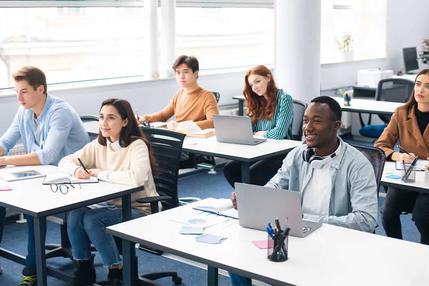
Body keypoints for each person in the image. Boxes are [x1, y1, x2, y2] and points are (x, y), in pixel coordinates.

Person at [230, 96, 378, 286]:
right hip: (296, 234)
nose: (307, 127)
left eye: (317, 121)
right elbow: (274, 186)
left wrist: (311, 222)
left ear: (336, 125)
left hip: (334, 240)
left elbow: (366, 220)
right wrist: (252, 199)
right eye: (306, 120)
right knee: (238, 262)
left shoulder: (357, 165)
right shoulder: (298, 154)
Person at [0, 66, 90, 286]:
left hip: (71, 179)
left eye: (24, 91)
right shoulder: (24, 110)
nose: (18, 97)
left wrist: (3, 161)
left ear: (40, 89)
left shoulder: (61, 111)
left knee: (31, 207)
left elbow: (47, 155)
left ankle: (31, 270)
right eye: (16, 91)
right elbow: (5, 143)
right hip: (41, 176)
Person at [59, 98, 158, 286]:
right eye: (101, 117)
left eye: (111, 118)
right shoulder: (99, 145)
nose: (104, 123)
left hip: (140, 208)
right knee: (74, 214)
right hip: (109, 205)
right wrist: (76, 170)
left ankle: (116, 270)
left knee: (92, 219)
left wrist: (100, 173)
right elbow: (65, 161)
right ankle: (84, 269)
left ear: (125, 121)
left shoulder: (137, 145)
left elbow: (136, 178)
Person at [375, 69, 429, 245]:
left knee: (423, 217)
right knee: (388, 214)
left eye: (428, 86)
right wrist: (398, 155)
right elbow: (380, 146)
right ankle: (397, 248)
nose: (420, 90)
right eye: (418, 84)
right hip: (408, 175)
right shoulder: (401, 113)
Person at [223, 65, 293, 186]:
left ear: (268, 78)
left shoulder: (285, 99)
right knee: (229, 169)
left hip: (280, 152)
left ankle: (252, 199)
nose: (254, 87)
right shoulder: (258, 101)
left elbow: (278, 134)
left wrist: (261, 133)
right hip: (261, 149)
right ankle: (246, 198)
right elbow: (250, 131)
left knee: (251, 174)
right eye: (251, 85)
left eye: (257, 81)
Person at [138, 55, 219, 129]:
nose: (181, 76)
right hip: (178, 135)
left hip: (194, 138)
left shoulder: (208, 96)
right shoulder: (179, 93)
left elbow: (213, 122)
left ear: (196, 74)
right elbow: (163, 115)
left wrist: (182, 126)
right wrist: (145, 118)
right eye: (178, 72)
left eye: (186, 72)